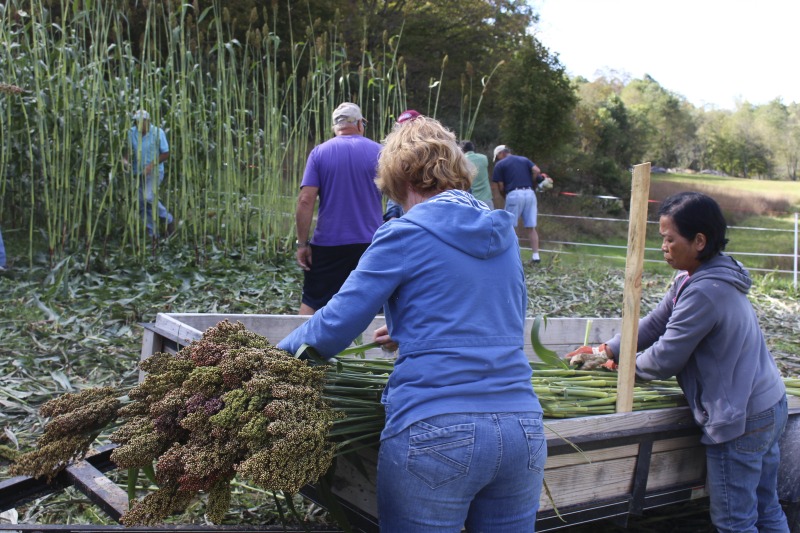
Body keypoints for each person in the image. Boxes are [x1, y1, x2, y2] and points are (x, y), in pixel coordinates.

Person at [278, 116, 546, 532]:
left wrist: (264, 361)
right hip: (522, 430)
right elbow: (499, 318)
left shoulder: (404, 233)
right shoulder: (504, 234)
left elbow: (332, 326)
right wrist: (411, 332)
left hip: (438, 429)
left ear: (397, 177)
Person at [565, 191, 789, 533]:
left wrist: (626, 369)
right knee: (765, 507)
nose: (663, 247)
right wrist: (606, 351)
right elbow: (655, 323)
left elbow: (666, 357)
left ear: (699, 240)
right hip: (767, 404)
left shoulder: (705, 291)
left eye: (670, 239)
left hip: (742, 418)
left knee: (735, 521)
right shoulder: (695, 277)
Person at [293, 102, 382, 315]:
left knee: (313, 302)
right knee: (378, 304)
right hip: (372, 243)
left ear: (335, 127)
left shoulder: (319, 153)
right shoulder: (381, 152)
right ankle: (376, 348)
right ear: (360, 124)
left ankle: (297, 348)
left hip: (329, 245)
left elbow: (306, 201)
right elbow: (400, 195)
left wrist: (302, 243)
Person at [124, 109, 175, 239]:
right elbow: (128, 152)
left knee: (148, 197)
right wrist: (125, 161)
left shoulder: (158, 133)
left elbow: (165, 153)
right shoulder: (131, 133)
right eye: (137, 122)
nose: (139, 125)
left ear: (148, 121)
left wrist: (150, 166)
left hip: (155, 172)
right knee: (142, 203)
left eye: (142, 122)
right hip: (138, 173)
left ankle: (168, 219)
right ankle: (153, 235)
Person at [491, 145, 546, 264]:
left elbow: (500, 185)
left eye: (497, 157)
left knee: (510, 226)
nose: (498, 159)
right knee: (531, 227)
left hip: (514, 193)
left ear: (501, 154)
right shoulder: (524, 159)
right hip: (530, 193)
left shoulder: (500, 164)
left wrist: (504, 196)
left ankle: (511, 256)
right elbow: (536, 170)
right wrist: (533, 183)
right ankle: (536, 256)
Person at [461, 140, 493, 209]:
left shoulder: (461, 161)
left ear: (462, 150)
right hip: (486, 199)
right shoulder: (484, 158)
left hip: (472, 201)